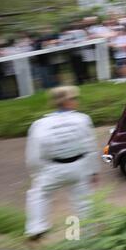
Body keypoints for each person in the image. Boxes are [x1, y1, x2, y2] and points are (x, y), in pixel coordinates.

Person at [25, 86, 100, 241]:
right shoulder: (83, 119)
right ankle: (88, 233)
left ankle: (37, 228)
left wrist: (38, 174)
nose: (77, 101)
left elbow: (34, 155)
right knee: (83, 202)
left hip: (53, 169)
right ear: (67, 102)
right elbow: (91, 147)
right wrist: (94, 171)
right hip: (79, 167)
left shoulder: (40, 124)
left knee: (38, 193)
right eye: (74, 98)